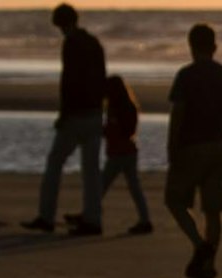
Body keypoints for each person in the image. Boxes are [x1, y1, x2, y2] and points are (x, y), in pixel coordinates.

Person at [165, 23, 222, 278]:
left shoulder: (186, 75)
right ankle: (208, 262)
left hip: (191, 146)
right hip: (218, 147)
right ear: (214, 47)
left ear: (191, 47)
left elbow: (177, 113)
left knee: (175, 201)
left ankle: (200, 245)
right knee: (213, 211)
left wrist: (171, 146)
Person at [23, 5, 107, 237]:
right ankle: (93, 219)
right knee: (91, 170)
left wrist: (64, 113)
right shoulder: (94, 42)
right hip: (94, 112)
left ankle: (46, 216)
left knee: (55, 163)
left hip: (76, 114)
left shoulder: (71, 44)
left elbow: (69, 81)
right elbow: (101, 78)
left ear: (61, 24)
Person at [90, 75, 152, 236]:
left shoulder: (118, 108)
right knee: (133, 187)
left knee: (101, 186)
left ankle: (90, 214)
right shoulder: (127, 106)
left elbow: (121, 131)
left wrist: (104, 130)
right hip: (127, 152)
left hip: (120, 153)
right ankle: (145, 219)